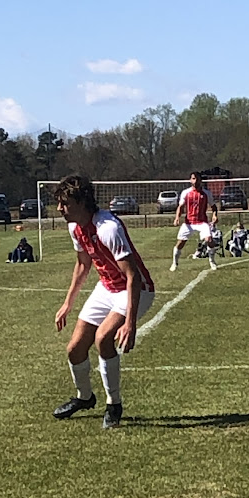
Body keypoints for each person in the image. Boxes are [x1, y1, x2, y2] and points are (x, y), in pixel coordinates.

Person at [53, 175, 155, 429]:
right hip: (107, 287)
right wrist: (67, 303)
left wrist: (130, 324)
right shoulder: (75, 226)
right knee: (74, 349)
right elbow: (82, 265)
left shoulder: (108, 228)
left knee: (103, 338)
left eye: (64, 203)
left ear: (81, 202)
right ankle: (84, 397)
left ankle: (114, 404)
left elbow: (133, 276)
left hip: (136, 289)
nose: (59, 209)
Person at [170, 171, 219, 271]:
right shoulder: (186, 192)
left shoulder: (206, 193)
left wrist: (214, 215)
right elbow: (181, 206)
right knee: (180, 243)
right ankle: (175, 263)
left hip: (202, 222)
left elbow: (214, 206)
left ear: (200, 180)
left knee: (209, 240)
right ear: (190, 180)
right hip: (189, 223)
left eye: (197, 179)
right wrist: (177, 218)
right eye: (193, 178)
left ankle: (212, 261)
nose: (195, 181)